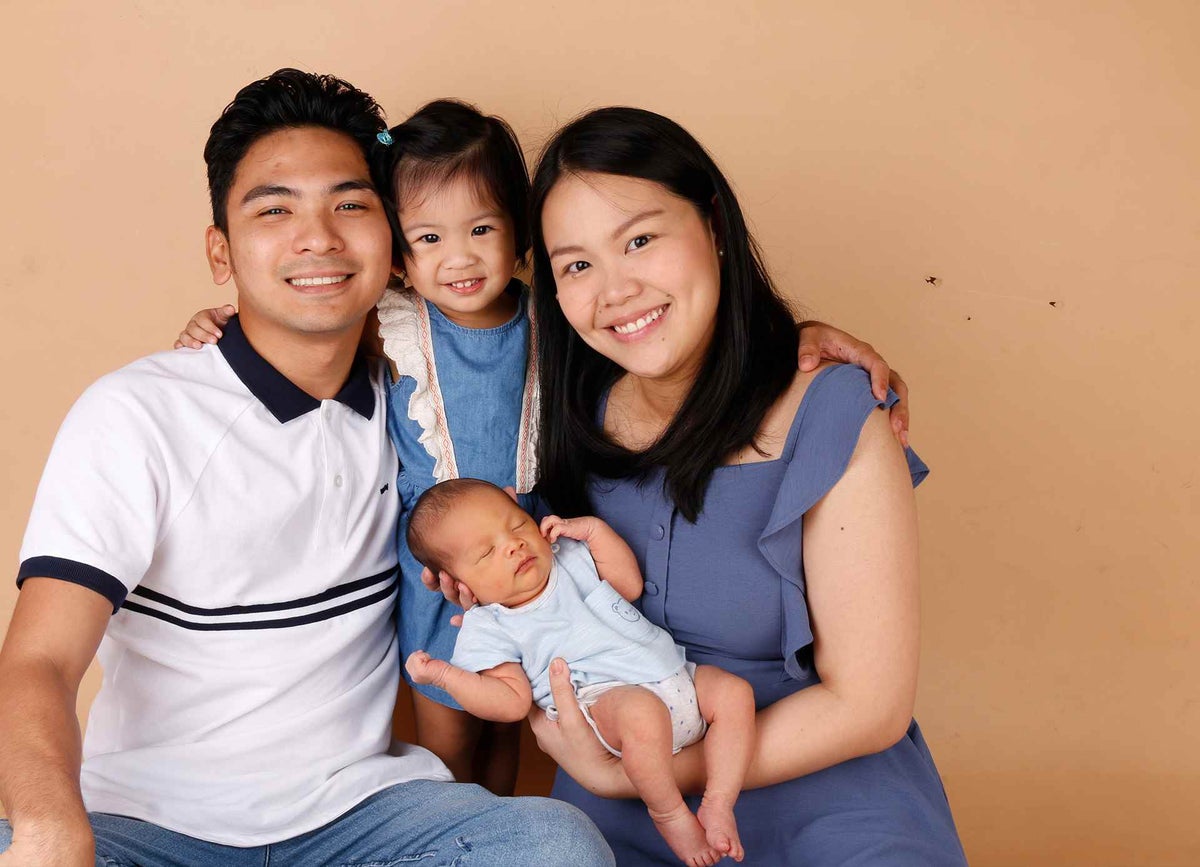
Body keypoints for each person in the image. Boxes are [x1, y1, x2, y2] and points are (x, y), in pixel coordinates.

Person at [174, 97, 917, 801]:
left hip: (562, 596)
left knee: (513, 730)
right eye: (429, 237)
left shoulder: (557, 337)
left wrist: (800, 345)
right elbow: (309, 326)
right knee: (456, 737)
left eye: (483, 230)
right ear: (402, 253)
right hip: (460, 580)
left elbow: (687, 341)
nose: (459, 258)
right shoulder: (428, 332)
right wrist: (230, 323)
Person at [0, 69, 614, 867]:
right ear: (220, 251)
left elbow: (637, 355)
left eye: (350, 205)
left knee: (552, 845)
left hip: (364, 817)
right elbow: (38, 658)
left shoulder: (408, 404)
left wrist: (793, 343)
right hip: (147, 827)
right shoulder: (136, 414)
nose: (318, 236)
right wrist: (52, 828)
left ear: (392, 244)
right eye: (275, 209)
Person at [496, 106, 968, 864]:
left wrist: (642, 775)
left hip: (824, 789)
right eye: (577, 265)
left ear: (713, 223)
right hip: (618, 809)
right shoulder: (559, 414)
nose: (614, 290)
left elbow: (869, 707)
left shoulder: (835, 414)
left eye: (641, 240)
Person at [404, 479, 755, 866]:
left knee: (734, 693)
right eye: (487, 552)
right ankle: (670, 813)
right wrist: (445, 675)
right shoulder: (488, 624)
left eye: (517, 524)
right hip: (603, 703)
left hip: (674, 676)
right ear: (458, 583)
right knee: (641, 713)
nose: (513, 544)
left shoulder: (568, 555)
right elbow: (510, 702)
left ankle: (719, 803)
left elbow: (629, 584)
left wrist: (593, 531)